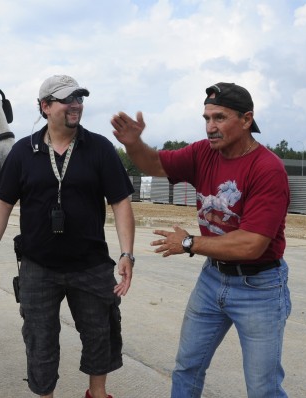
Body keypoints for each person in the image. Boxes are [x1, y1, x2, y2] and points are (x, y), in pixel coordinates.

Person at [111, 82, 291, 397]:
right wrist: (133, 143)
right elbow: (153, 163)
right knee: (186, 368)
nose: (210, 127)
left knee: (263, 388)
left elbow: (252, 244)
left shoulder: (267, 169)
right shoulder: (202, 153)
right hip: (212, 279)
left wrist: (189, 243)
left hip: (259, 288)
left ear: (246, 120)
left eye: (219, 118)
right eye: (206, 118)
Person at [0, 74, 136, 398]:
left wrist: (127, 253)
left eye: (79, 98)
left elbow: (120, 201)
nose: (76, 104)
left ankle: (97, 393)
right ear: (46, 106)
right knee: (39, 339)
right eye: (67, 99)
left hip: (90, 265)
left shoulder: (100, 149)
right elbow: (3, 202)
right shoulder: (24, 151)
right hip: (38, 267)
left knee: (101, 333)